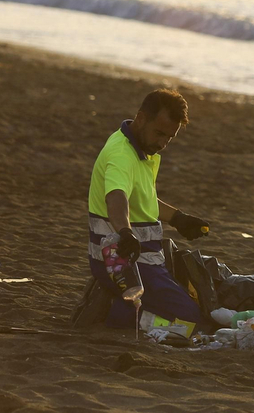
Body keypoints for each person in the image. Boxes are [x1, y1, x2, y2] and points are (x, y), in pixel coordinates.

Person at [86, 89, 213, 329]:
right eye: (159, 133)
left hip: (147, 258)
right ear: (141, 118)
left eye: (169, 138)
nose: (163, 143)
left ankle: (119, 305)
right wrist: (125, 231)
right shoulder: (121, 155)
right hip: (122, 262)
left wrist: (178, 218)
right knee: (191, 322)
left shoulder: (146, 152)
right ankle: (114, 314)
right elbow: (116, 197)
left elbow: (143, 199)